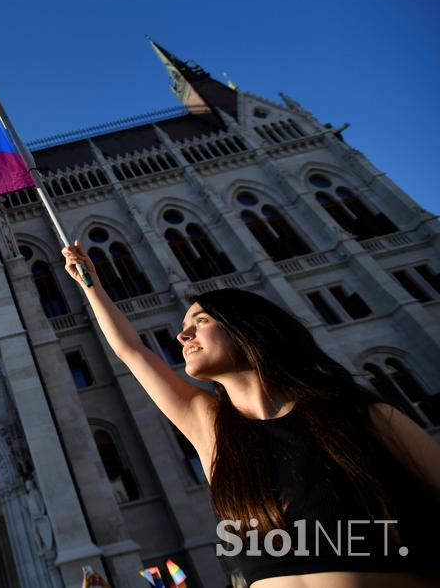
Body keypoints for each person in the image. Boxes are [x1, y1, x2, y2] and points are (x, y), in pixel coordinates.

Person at [62, 241, 440, 588]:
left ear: (248, 330)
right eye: (183, 327)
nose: (183, 336)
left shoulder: (366, 417)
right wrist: (89, 282)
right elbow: (131, 350)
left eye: (201, 322)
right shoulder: (209, 427)